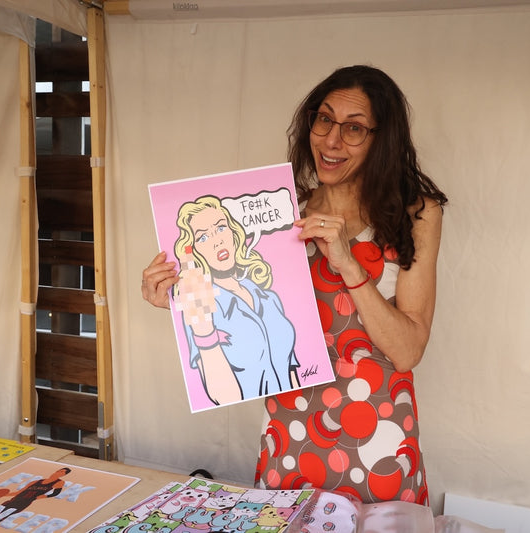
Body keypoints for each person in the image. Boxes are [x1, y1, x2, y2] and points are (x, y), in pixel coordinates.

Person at [142, 65, 447, 505]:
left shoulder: (416, 215)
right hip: (291, 437)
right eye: (324, 120)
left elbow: (408, 350)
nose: (331, 140)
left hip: (378, 441)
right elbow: (241, 327)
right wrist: (179, 299)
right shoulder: (282, 218)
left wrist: (348, 264)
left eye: (354, 128)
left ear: (382, 140)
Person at [172, 195, 299, 405]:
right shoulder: (199, 309)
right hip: (262, 412)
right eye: (203, 238)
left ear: (233, 233)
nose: (217, 240)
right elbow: (225, 397)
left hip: (294, 410)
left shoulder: (270, 299)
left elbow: (292, 374)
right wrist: (205, 333)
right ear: (193, 251)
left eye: (221, 228)